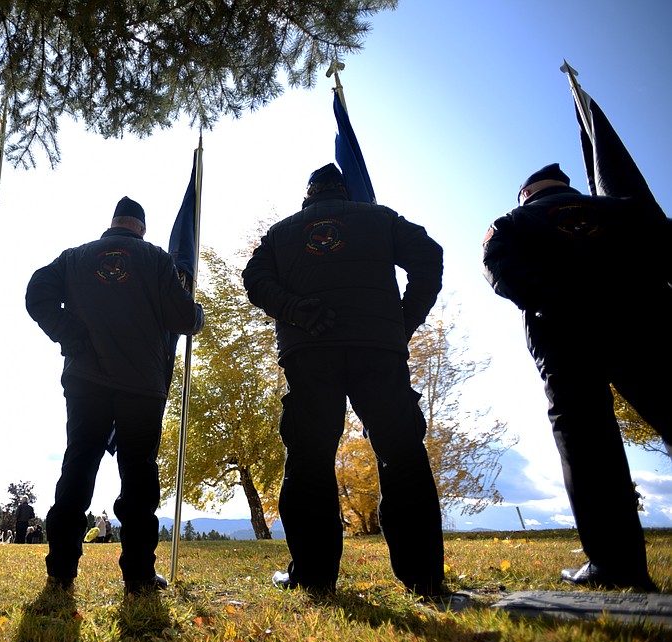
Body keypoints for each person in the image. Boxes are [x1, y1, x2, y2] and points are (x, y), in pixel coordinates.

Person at [242, 164, 448, 599]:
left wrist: (297, 311)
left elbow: (254, 280)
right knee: (401, 451)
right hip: (379, 350)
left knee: (309, 456)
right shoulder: (381, 217)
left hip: (309, 352)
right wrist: (402, 322)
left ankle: (313, 576)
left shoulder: (281, 233)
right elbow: (429, 257)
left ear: (308, 196)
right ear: (345, 192)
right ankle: (424, 578)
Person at [482, 163, 669, 592]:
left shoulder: (511, 222)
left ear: (526, 193)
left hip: (564, 334)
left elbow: (499, 271)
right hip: (647, 327)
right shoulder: (626, 209)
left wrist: (556, 300)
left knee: (587, 443)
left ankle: (616, 566)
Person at [26, 196, 204, 594]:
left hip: (86, 379)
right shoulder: (157, 260)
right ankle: (138, 574)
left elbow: (35, 295)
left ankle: (61, 570)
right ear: (141, 227)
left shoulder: (74, 258)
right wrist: (198, 314)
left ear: (113, 223)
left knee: (77, 467)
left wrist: (70, 335)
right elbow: (181, 319)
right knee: (138, 476)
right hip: (141, 384)